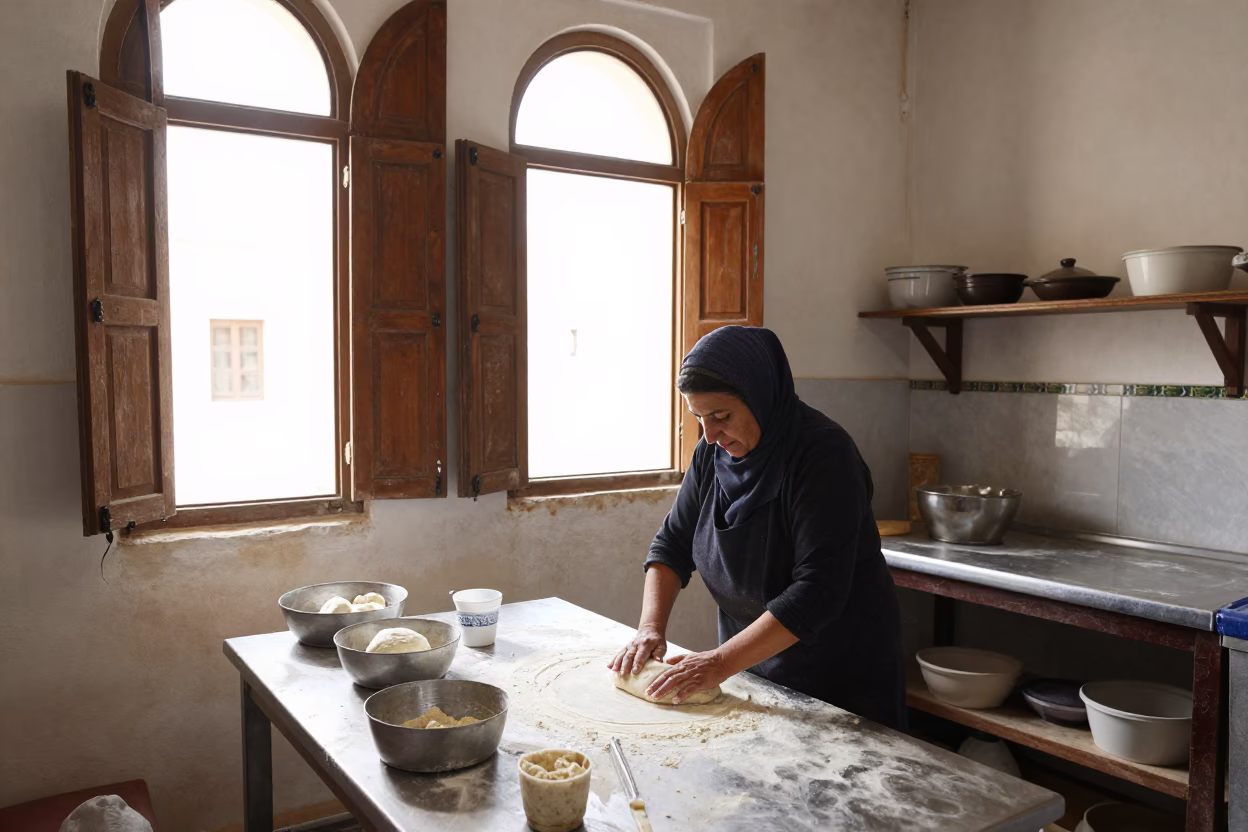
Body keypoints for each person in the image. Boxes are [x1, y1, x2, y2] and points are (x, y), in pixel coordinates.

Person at [608, 326, 906, 730]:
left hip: (841, 679)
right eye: (698, 418)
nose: (710, 435)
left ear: (760, 395)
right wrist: (649, 629)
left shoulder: (824, 456)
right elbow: (672, 544)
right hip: (753, 666)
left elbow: (816, 593)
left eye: (721, 416)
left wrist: (718, 662)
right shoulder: (711, 455)